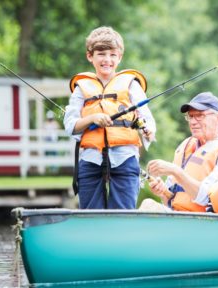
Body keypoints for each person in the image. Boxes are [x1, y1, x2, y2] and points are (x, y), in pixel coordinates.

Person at [64, 26, 156, 209]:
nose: (107, 60)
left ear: (120, 57)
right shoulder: (81, 88)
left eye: (113, 55)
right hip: (91, 158)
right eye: (101, 54)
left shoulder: (131, 84)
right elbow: (70, 125)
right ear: (90, 56)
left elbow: (148, 120)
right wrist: (93, 118)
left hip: (125, 157)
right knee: (91, 216)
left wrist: (148, 130)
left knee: (123, 214)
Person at [139, 92, 218, 212]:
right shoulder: (186, 145)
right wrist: (163, 192)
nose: (193, 122)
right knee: (148, 204)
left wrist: (175, 171)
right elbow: (170, 201)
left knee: (148, 207)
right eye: (190, 116)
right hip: (179, 217)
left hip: (206, 220)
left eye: (200, 115)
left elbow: (206, 198)